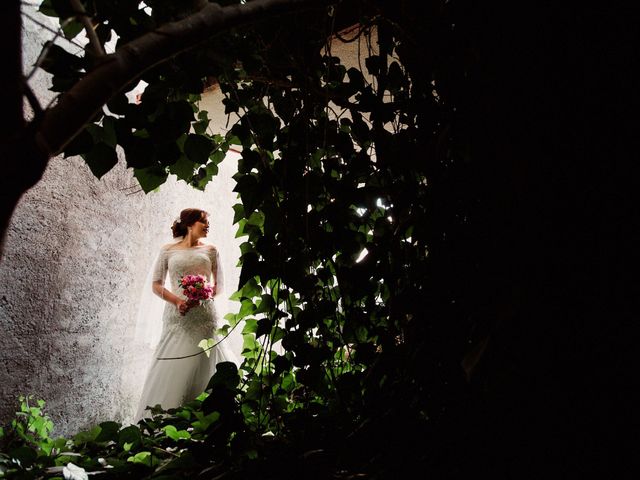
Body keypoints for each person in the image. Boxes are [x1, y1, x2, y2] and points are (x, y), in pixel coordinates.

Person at [135, 208, 237, 421]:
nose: (208, 226)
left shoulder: (211, 250)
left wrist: (203, 293)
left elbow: (219, 287)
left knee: (204, 360)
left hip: (204, 315)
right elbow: (156, 284)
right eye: (204, 222)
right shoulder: (167, 251)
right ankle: (166, 420)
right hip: (177, 317)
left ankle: (211, 417)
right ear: (190, 224)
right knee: (174, 362)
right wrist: (178, 301)